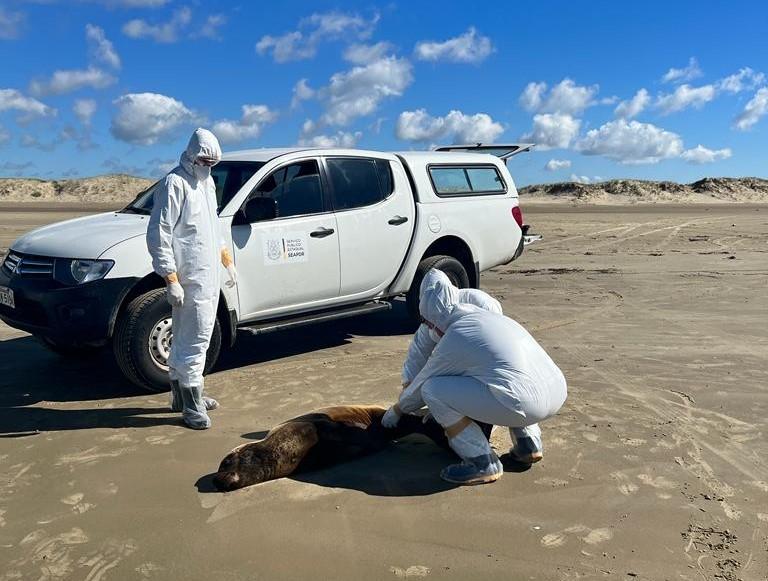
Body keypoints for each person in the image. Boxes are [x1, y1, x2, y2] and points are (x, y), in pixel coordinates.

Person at [382, 270, 567, 485]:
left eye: (430, 325)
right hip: (555, 391)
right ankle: (529, 444)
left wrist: (397, 410)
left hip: (523, 404)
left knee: (432, 390)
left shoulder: (457, 334)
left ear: (434, 320)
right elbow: (419, 353)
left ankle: (481, 462)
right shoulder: (487, 316)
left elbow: (425, 382)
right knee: (502, 376)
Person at [146, 128, 237, 430]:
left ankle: (181, 396)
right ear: (191, 154)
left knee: (195, 335)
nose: (207, 166)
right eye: (203, 160)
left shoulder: (207, 183)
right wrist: (170, 276)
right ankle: (192, 404)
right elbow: (159, 233)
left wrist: (226, 260)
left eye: (212, 162)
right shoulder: (175, 183)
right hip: (189, 277)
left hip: (208, 275)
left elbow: (213, 228)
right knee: (194, 340)